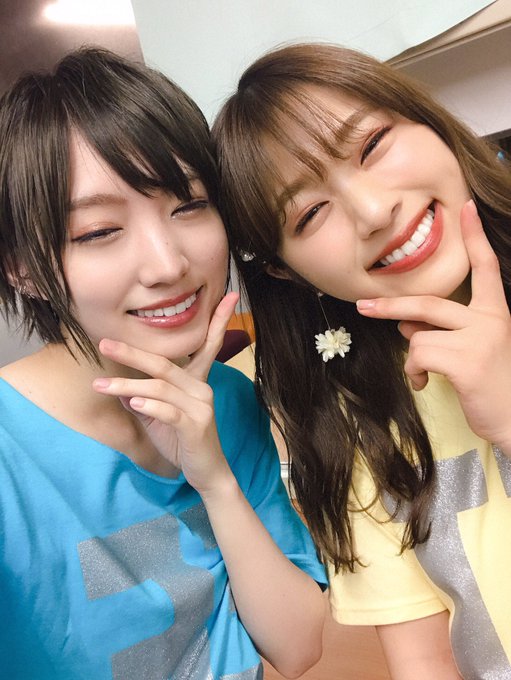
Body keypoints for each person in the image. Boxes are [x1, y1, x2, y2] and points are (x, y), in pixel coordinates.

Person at [0, 47, 327, 680]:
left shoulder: (225, 399)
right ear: (21, 269)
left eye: (189, 205)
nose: (169, 264)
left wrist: (215, 480)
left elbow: (297, 647)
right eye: (99, 231)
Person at [213, 42, 511, 679]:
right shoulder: (350, 423)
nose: (375, 212)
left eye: (372, 145)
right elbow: (424, 660)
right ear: (285, 272)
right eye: (311, 213)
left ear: (425, 118)